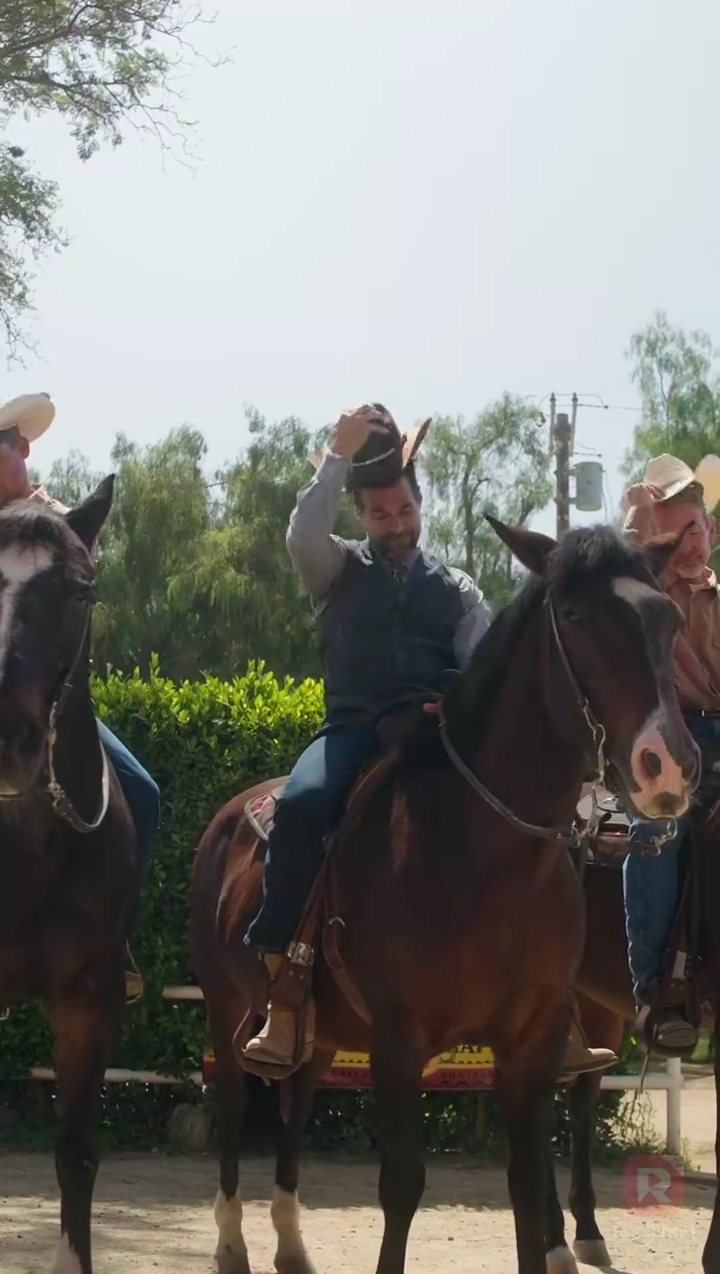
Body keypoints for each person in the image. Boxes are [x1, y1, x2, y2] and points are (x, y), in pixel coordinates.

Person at [242, 403, 617, 1078]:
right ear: (361, 516)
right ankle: (287, 985)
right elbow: (301, 532)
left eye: (405, 511)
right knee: (302, 806)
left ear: (420, 507)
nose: (396, 525)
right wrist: (336, 453)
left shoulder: (458, 588)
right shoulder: (331, 570)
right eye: (381, 515)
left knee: (543, 825)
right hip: (354, 733)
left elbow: (484, 670)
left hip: (438, 738)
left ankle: (555, 1001)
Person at [0, 393, 160, 1002]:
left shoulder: (52, 524)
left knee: (140, 793)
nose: (19, 456)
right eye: (10, 446)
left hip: (43, 702)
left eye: (16, 446)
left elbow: (86, 583)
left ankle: (112, 943)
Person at [618, 452, 720, 1054]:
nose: (688, 545)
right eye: (673, 532)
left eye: (696, 528)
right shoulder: (637, 599)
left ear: (712, 532)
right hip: (665, 739)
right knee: (657, 829)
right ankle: (654, 987)